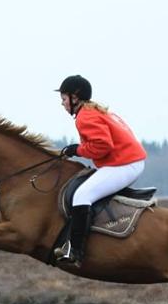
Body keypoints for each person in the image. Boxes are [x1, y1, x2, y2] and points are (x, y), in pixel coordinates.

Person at [52, 75, 148, 265]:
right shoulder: (95, 110)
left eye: (64, 99)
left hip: (125, 164)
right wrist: (78, 148)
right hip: (129, 161)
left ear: (75, 97)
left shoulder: (84, 116)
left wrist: (77, 150)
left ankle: (75, 251)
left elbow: (103, 146)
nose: (62, 104)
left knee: (82, 196)